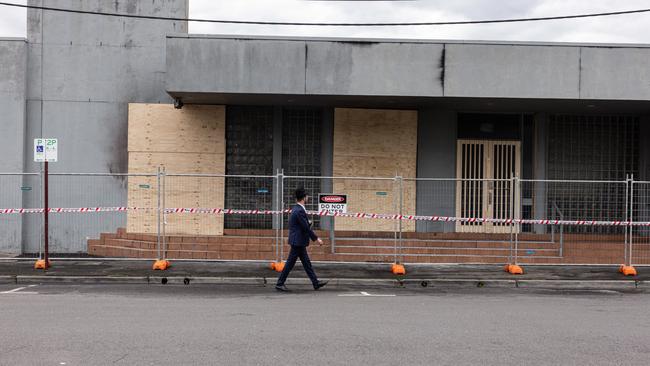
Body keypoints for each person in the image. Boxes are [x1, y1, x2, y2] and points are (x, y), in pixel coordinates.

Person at [275, 188, 328, 292]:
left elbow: (302, 224)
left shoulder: (297, 209)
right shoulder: (299, 210)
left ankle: (315, 283)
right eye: (307, 196)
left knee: (306, 263)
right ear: (304, 198)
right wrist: (317, 238)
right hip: (297, 241)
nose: (308, 198)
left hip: (298, 241)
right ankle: (280, 283)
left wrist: (307, 223)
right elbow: (305, 227)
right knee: (290, 264)